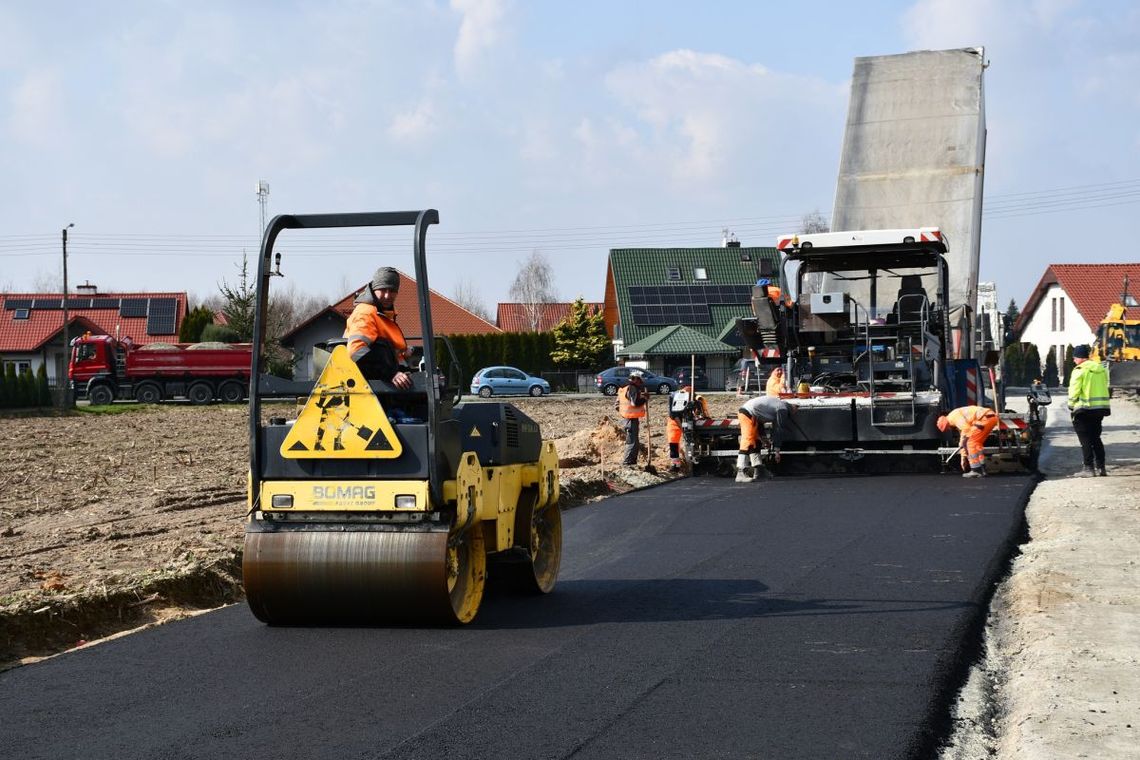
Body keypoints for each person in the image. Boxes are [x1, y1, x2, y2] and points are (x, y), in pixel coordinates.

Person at [344, 266, 413, 390]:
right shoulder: (365, 312)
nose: (387, 295)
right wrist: (392, 373)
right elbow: (356, 350)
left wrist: (404, 367)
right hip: (369, 385)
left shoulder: (385, 315)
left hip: (384, 379)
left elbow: (393, 354)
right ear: (374, 289)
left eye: (392, 291)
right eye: (383, 290)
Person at [1068, 343, 1111, 476]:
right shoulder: (1101, 369)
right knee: (1096, 438)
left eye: (1074, 358)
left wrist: (1071, 404)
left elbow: (1074, 390)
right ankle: (1101, 467)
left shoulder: (1080, 370)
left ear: (1080, 358)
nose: (1074, 361)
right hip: (1099, 409)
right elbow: (1106, 384)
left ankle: (1088, 469)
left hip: (1083, 410)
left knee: (1085, 439)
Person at [736, 395, 793, 482]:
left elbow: (761, 422)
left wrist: (763, 439)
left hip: (753, 415)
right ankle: (740, 472)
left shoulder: (775, 406)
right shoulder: (783, 408)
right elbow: (779, 428)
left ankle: (759, 471)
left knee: (756, 442)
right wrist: (777, 450)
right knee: (748, 441)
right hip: (747, 413)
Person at [936, 405, 999, 478]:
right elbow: (964, 435)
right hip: (990, 418)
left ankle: (976, 470)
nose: (950, 429)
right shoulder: (954, 415)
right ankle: (982, 468)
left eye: (947, 428)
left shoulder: (953, 418)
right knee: (977, 444)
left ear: (946, 424)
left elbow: (966, 430)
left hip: (984, 419)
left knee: (970, 443)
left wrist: (962, 446)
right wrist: (963, 456)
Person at [665, 385, 710, 471]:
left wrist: (699, 413)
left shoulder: (694, 397)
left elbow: (700, 411)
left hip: (688, 420)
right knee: (673, 441)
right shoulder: (674, 397)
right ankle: (676, 464)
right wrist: (682, 428)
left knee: (693, 439)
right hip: (674, 422)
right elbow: (675, 415)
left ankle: (694, 459)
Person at [617, 370, 649, 466]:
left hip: (627, 418)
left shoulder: (625, 388)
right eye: (639, 381)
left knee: (633, 440)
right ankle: (628, 463)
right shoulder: (632, 388)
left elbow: (617, 405)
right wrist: (644, 399)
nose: (640, 384)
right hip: (630, 419)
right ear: (635, 379)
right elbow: (634, 403)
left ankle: (631, 462)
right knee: (632, 441)